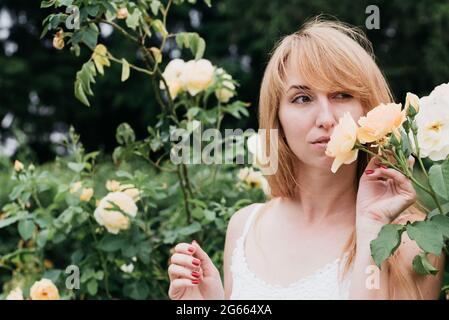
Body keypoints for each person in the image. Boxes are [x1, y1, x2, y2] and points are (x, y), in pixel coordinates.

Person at [167, 17, 446, 300]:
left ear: (367, 107)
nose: (326, 119)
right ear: (277, 118)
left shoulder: (412, 240)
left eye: (342, 94)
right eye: (302, 98)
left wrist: (372, 227)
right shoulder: (243, 226)